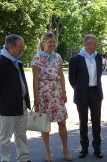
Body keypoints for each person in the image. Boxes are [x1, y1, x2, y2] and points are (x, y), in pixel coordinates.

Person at [0, 34, 31, 162]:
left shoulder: (17, 61)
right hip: (7, 107)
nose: (22, 49)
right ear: (11, 47)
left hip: (21, 104)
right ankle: (5, 160)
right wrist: (2, 101)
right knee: (5, 138)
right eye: (20, 46)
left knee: (21, 135)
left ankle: (24, 159)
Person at [31, 32, 72, 161]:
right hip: (44, 93)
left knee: (62, 122)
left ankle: (66, 150)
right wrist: (36, 98)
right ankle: (47, 152)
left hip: (57, 92)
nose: (53, 44)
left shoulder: (58, 57)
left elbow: (61, 75)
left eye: (54, 42)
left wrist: (64, 92)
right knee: (45, 124)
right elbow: (35, 79)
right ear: (43, 43)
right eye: (50, 42)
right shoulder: (36, 58)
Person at [69, 34, 103, 159]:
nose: (96, 46)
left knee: (96, 122)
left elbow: (99, 74)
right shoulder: (75, 59)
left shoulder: (98, 57)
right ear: (86, 44)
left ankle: (97, 149)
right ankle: (84, 148)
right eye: (95, 43)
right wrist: (80, 88)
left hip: (96, 93)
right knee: (83, 122)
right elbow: (72, 79)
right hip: (82, 94)